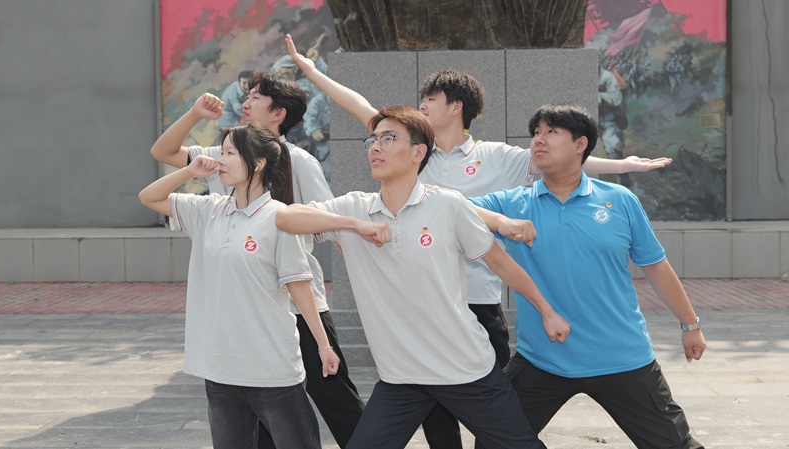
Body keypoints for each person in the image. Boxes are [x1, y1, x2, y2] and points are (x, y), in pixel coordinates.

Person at [284, 33, 674, 448]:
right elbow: (358, 106)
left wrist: (623, 164)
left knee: (493, 418)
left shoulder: (494, 157)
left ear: (456, 107)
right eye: (377, 138)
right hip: (415, 314)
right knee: (438, 422)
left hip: (476, 305)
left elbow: (562, 160)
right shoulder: (403, 152)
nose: (421, 107)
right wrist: (312, 72)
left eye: (430, 100)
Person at [276, 105, 569, 449]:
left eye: (389, 138)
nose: (375, 147)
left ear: (418, 152)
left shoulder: (448, 205)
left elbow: (501, 263)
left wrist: (547, 311)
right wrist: (353, 225)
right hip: (401, 378)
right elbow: (286, 218)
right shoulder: (354, 208)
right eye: (372, 140)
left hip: (465, 369)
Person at [469, 104, 707, 449]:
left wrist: (690, 325)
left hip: (621, 358)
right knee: (494, 442)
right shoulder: (513, 203)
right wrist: (500, 222)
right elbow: (450, 207)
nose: (539, 140)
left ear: (581, 144)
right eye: (536, 133)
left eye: (552, 132)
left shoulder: (620, 201)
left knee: (675, 445)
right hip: (542, 359)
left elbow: (656, 266)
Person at [149, 71, 365, 449]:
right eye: (246, 96)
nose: (245, 103)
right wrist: (195, 114)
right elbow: (162, 153)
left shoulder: (301, 162)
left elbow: (328, 222)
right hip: (247, 299)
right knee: (255, 406)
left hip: (298, 296)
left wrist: (364, 276)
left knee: (332, 394)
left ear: (279, 113)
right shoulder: (222, 154)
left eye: (255, 98)